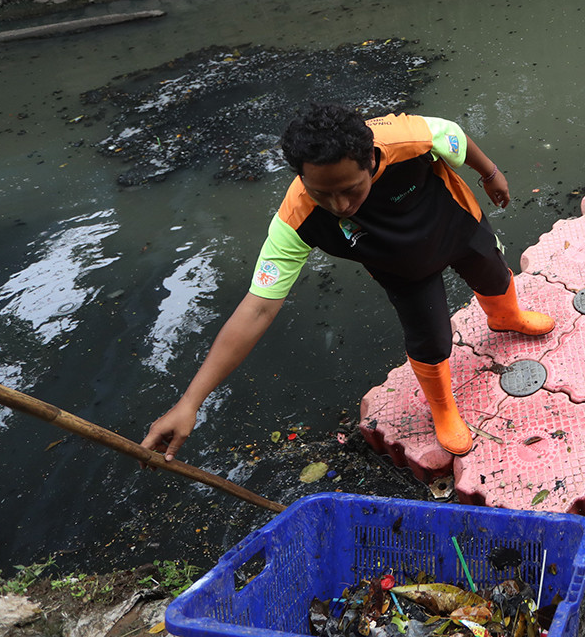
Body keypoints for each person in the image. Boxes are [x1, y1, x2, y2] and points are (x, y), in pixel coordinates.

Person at [141, 104, 552, 460]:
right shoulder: (295, 219)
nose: (339, 205)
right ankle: (442, 407)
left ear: (372, 161)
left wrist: (490, 173)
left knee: (494, 277)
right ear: (302, 178)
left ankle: (506, 317)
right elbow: (258, 306)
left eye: (351, 188)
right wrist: (190, 401)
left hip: (457, 226)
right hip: (401, 267)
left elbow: (456, 135)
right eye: (322, 192)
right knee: (429, 338)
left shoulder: (410, 138)